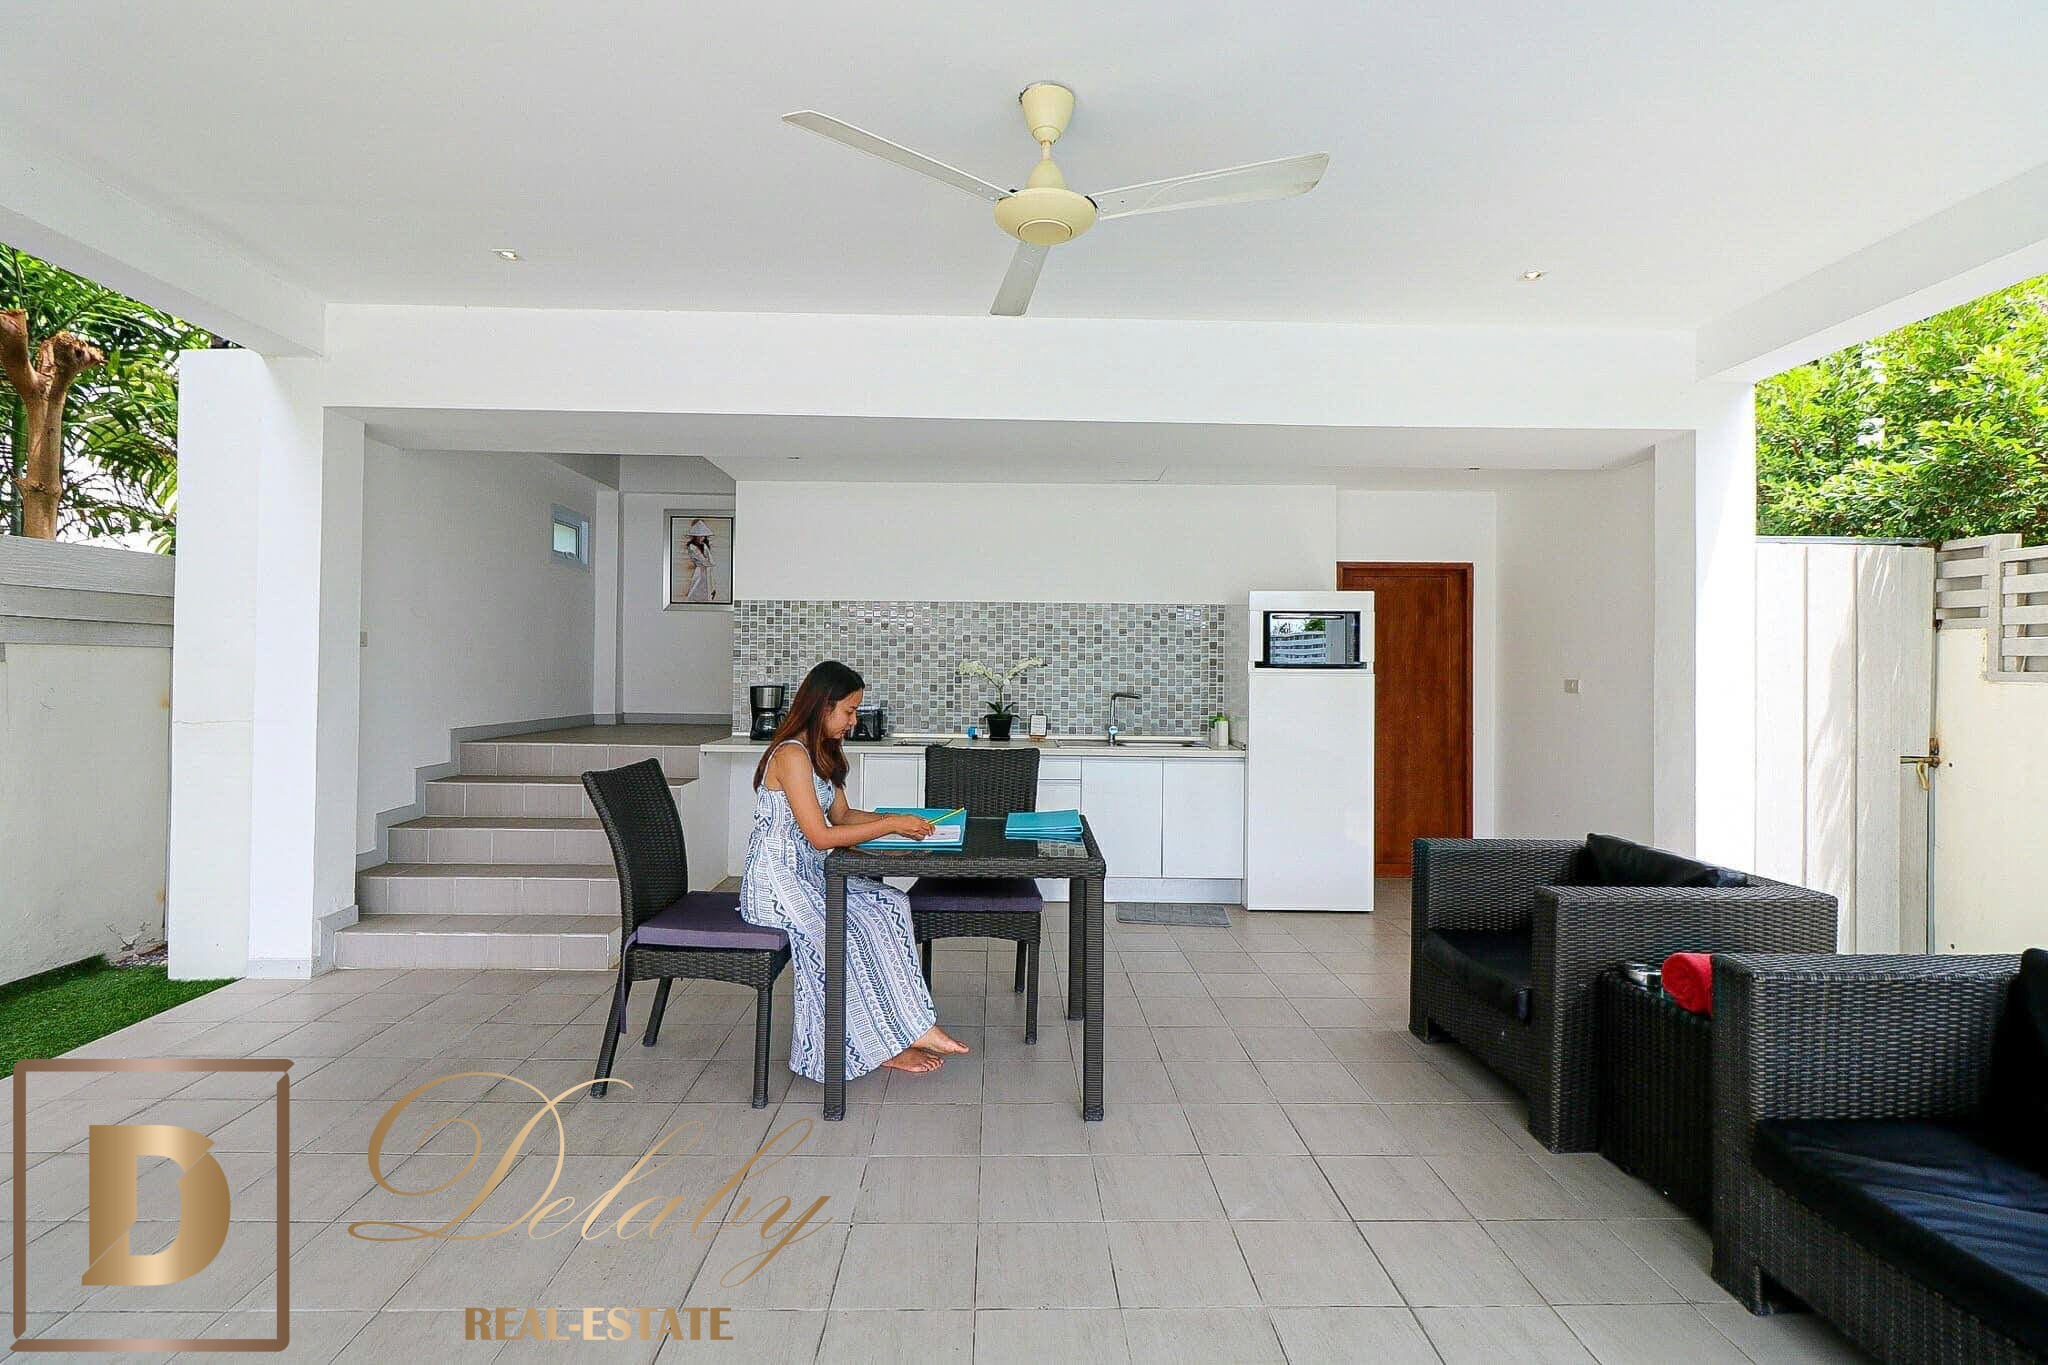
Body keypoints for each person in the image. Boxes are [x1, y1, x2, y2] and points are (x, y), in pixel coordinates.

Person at [739, 660, 971, 1079]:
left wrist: (902, 824)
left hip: (810, 878)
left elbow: (842, 816)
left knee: (890, 904)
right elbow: (820, 836)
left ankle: (908, 1029)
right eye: (849, 711)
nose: (854, 721)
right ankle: (884, 1044)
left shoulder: (821, 751)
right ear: (823, 706)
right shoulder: (791, 755)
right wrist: (889, 824)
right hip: (775, 885)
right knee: (850, 929)